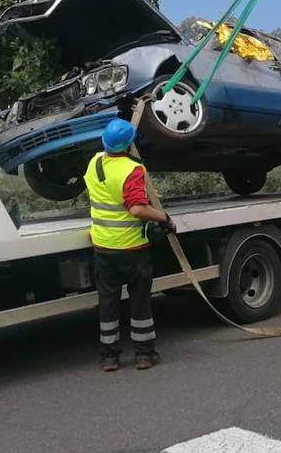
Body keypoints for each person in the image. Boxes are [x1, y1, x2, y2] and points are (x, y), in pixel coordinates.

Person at [86, 118, 175, 372]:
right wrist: (164, 217)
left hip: (103, 246)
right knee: (139, 302)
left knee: (108, 302)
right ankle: (144, 355)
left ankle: (109, 357)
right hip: (132, 248)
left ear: (104, 141)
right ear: (128, 144)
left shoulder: (94, 163)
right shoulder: (132, 169)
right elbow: (136, 208)